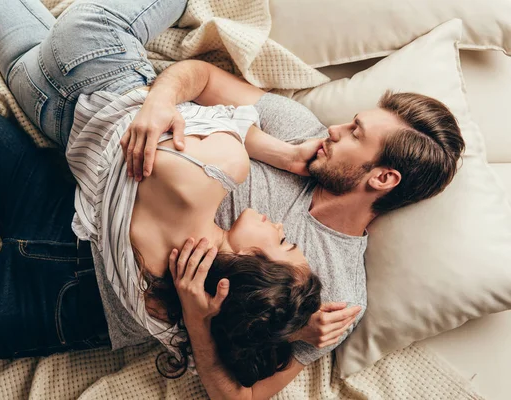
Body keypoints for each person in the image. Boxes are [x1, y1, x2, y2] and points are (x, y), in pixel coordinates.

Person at [0, 0, 327, 391]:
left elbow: (202, 91)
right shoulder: (172, 319)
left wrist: (286, 155)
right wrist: (280, 325)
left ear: (248, 266)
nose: (280, 224)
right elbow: (239, 367)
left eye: (284, 242)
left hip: (86, 79)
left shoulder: (215, 169)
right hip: (67, 285)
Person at [121, 59, 466, 398]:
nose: (334, 129)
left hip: (96, 293)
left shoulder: (338, 294)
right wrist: (161, 100)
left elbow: (242, 397)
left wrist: (199, 319)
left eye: (355, 133)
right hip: (105, 179)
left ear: (383, 178)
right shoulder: (300, 132)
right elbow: (202, 76)